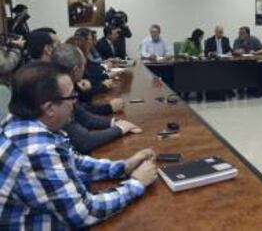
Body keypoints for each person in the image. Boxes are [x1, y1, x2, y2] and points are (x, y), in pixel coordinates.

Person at [0, 62, 158, 229]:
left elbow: (72, 162)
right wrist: (136, 184)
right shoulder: (37, 150)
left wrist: (123, 167)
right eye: (71, 96)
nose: (76, 101)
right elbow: (84, 213)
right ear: (49, 108)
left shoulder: (21, 122)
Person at [51, 43, 142, 154]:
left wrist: (114, 122)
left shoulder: (61, 84)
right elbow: (84, 141)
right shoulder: (54, 91)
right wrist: (120, 129)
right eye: (84, 65)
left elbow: (83, 116)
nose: (74, 100)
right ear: (75, 70)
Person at [179, 29, 205, 102]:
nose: (202, 38)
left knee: (200, 74)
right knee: (189, 76)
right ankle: (186, 93)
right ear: (197, 36)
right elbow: (180, 52)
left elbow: (201, 52)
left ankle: (199, 93)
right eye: (201, 37)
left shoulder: (198, 42)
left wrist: (201, 54)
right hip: (187, 64)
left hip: (196, 63)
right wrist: (186, 54)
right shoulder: (187, 41)